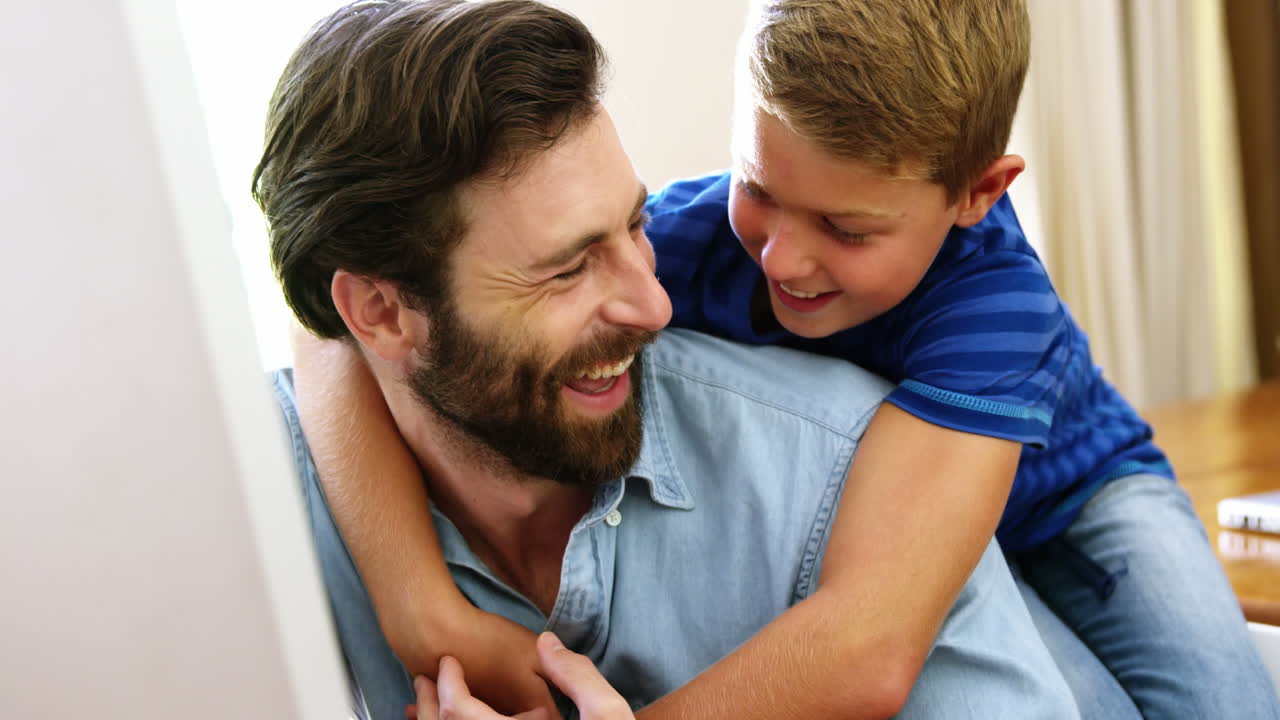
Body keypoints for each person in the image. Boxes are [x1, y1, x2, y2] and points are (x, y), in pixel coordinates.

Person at [289, 0, 1280, 718]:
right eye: (759, 188)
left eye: (845, 229)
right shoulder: (688, 239)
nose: (784, 259)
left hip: (1077, 506)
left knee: (1225, 700)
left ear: (978, 193)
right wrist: (423, 610)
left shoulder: (995, 309)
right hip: (925, 537)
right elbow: (327, 316)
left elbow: (868, 643)